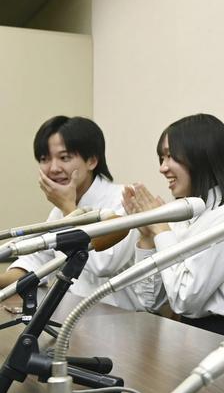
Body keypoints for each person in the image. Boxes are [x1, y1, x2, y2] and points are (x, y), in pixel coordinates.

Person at [122, 114, 224, 336]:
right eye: (161, 158)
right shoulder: (182, 215)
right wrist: (147, 237)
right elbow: (149, 301)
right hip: (182, 332)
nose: (162, 168)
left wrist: (161, 229)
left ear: (202, 156)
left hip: (222, 335)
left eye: (170, 156)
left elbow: (185, 300)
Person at [0, 116, 141, 310]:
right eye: (44, 159)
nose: (53, 168)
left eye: (64, 158)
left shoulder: (124, 199)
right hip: (75, 316)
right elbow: (37, 259)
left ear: (92, 160)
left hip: (122, 320)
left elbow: (103, 263)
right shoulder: (60, 209)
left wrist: (68, 207)